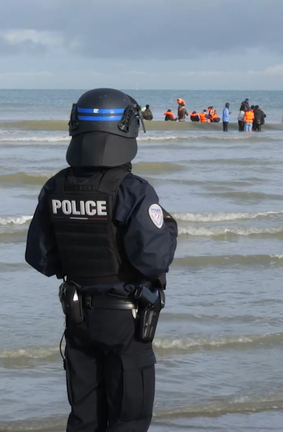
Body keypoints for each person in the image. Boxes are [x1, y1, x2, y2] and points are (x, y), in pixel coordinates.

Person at [25, 88, 178, 432]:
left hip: (79, 318)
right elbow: (152, 261)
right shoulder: (132, 189)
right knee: (128, 419)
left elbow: (41, 258)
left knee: (84, 419)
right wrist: (169, 228)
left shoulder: (55, 188)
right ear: (126, 129)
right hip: (126, 320)